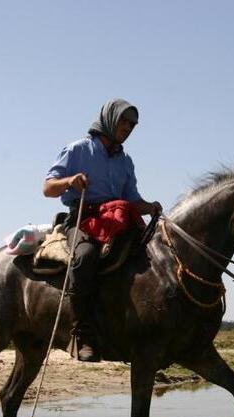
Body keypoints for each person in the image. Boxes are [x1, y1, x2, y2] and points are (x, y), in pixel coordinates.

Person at [43, 98, 162, 361]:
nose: (128, 128)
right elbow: (48, 188)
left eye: (132, 124)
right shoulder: (77, 150)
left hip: (117, 220)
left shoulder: (125, 161)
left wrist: (150, 207)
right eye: (123, 121)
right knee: (84, 257)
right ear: (109, 119)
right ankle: (80, 333)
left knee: (149, 256)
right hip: (82, 219)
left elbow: (132, 199)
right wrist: (70, 181)